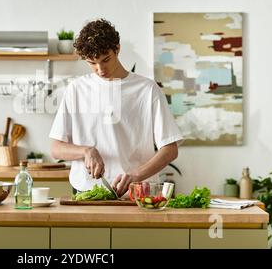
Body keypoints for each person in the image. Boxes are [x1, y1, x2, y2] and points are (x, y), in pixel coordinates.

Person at [49, 18, 183, 197]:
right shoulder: (76, 89)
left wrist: (136, 175)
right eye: (92, 62)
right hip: (87, 190)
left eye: (106, 60)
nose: (100, 69)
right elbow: (57, 148)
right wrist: (86, 151)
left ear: (117, 48)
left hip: (136, 193)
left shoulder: (147, 89)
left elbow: (170, 149)